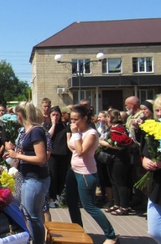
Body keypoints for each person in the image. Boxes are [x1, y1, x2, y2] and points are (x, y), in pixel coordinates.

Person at [65, 104, 118, 244]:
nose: (73, 122)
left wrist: (75, 134)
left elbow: (81, 151)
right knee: (70, 202)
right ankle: (78, 229)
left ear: (85, 118)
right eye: (71, 119)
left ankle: (111, 235)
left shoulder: (91, 134)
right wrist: (74, 135)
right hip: (73, 170)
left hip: (86, 173)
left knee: (89, 206)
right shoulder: (76, 132)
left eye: (76, 119)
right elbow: (73, 148)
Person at [4, 101, 49, 244]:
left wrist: (18, 156)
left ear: (20, 115)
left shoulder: (36, 131)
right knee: (29, 215)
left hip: (35, 179)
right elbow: (31, 152)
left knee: (33, 216)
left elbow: (41, 158)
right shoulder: (29, 131)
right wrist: (15, 153)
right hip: (29, 177)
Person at [100, 110, 133, 215]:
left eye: (107, 117)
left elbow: (122, 145)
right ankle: (117, 203)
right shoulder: (110, 128)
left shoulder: (121, 129)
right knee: (113, 182)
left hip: (120, 159)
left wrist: (104, 143)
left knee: (120, 182)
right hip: (112, 158)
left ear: (110, 118)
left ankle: (124, 206)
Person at [143, 95, 161, 243]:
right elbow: (145, 155)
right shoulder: (154, 129)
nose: (159, 113)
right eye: (157, 110)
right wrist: (147, 162)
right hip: (157, 185)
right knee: (155, 230)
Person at [47, 106, 70, 208]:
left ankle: (59, 196)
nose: (55, 117)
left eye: (57, 115)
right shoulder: (47, 125)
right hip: (53, 155)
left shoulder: (65, 126)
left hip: (64, 154)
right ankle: (51, 198)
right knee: (53, 176)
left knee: (62, 176)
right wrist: (53, 124)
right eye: (53, 115)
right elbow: (48, 137)